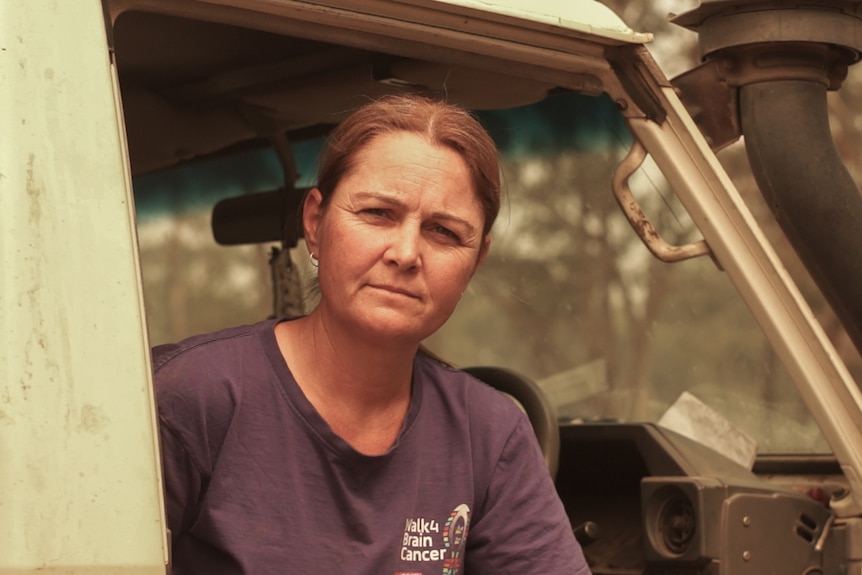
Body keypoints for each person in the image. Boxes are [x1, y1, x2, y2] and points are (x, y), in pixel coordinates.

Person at [153, 94, 590, 574]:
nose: (405, 253)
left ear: (476, 261)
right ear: (315, 224)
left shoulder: (489, 433)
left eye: (443, 232)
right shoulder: (187, 396)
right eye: (378, 213)